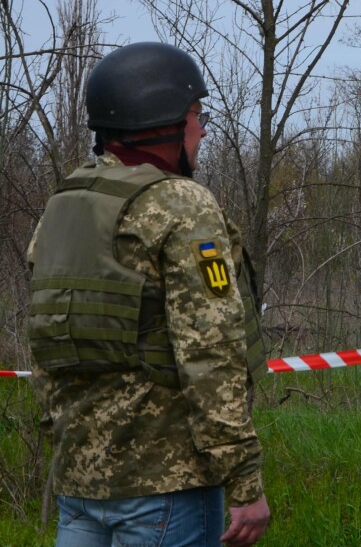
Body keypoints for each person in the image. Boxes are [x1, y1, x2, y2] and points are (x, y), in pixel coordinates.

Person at [27, 42, 270, 547]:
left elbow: (45, 342)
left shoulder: (67, 201)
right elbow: (211, 350)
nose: (202, 129)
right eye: (195, 114)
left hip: (79, 484)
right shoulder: (180, 204)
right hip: (167, 487)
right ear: (162, 121)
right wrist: (244, 480)